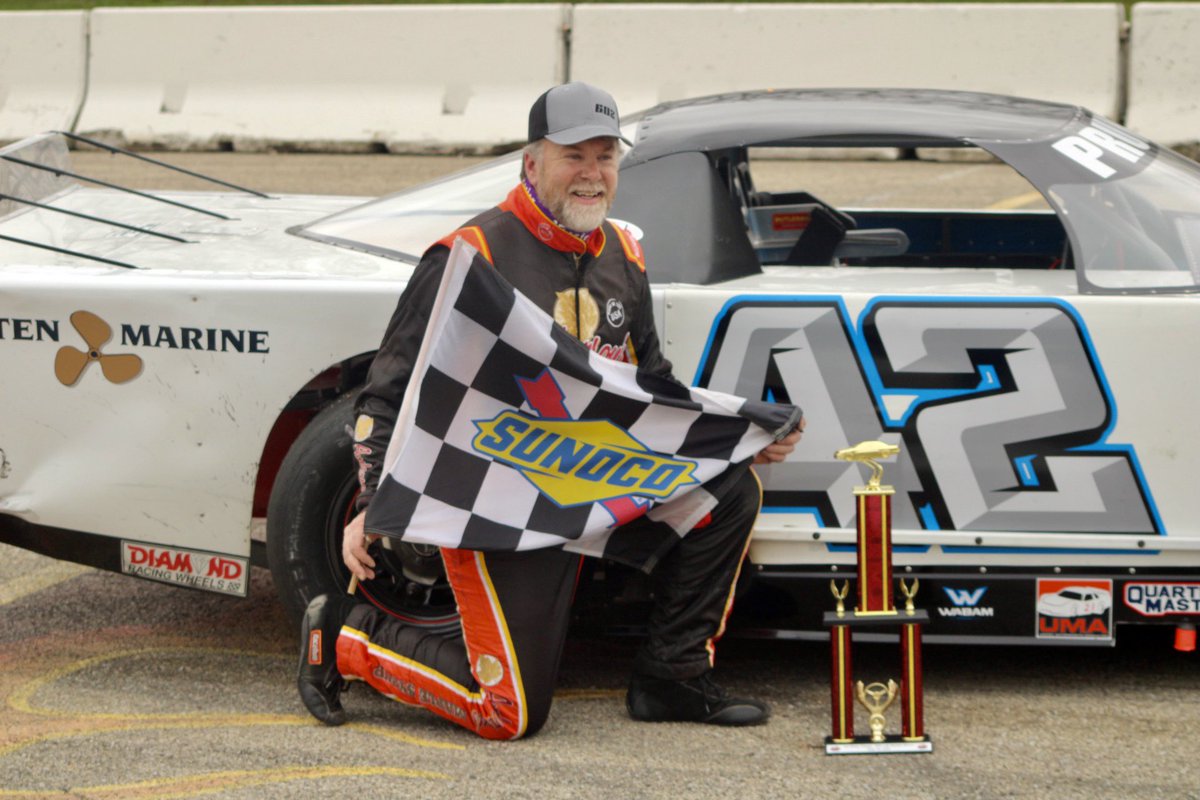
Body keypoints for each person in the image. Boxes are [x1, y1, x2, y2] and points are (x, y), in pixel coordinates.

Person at [297, 82, 804, 740]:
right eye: (573, 156)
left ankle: (670, 677)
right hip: (494, 495)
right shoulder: (468, 258)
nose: (592, 174)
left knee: (729, 491)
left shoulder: (624, 251)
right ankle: (343, 636)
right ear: (531, 164)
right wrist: (375, 501)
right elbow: (387, 390)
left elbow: (651, 384)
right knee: (509, 715)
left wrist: (732, 440)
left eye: (605, 156)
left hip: (590, 476)